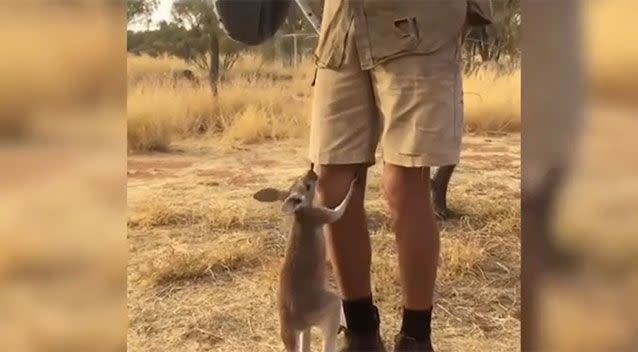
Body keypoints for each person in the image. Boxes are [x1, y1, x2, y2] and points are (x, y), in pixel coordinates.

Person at [307, 1, 493, 351]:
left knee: (404, 186)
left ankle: (416, 338)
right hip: (344, 19)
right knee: (332, 186)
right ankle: (361, 333)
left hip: (417, 19)